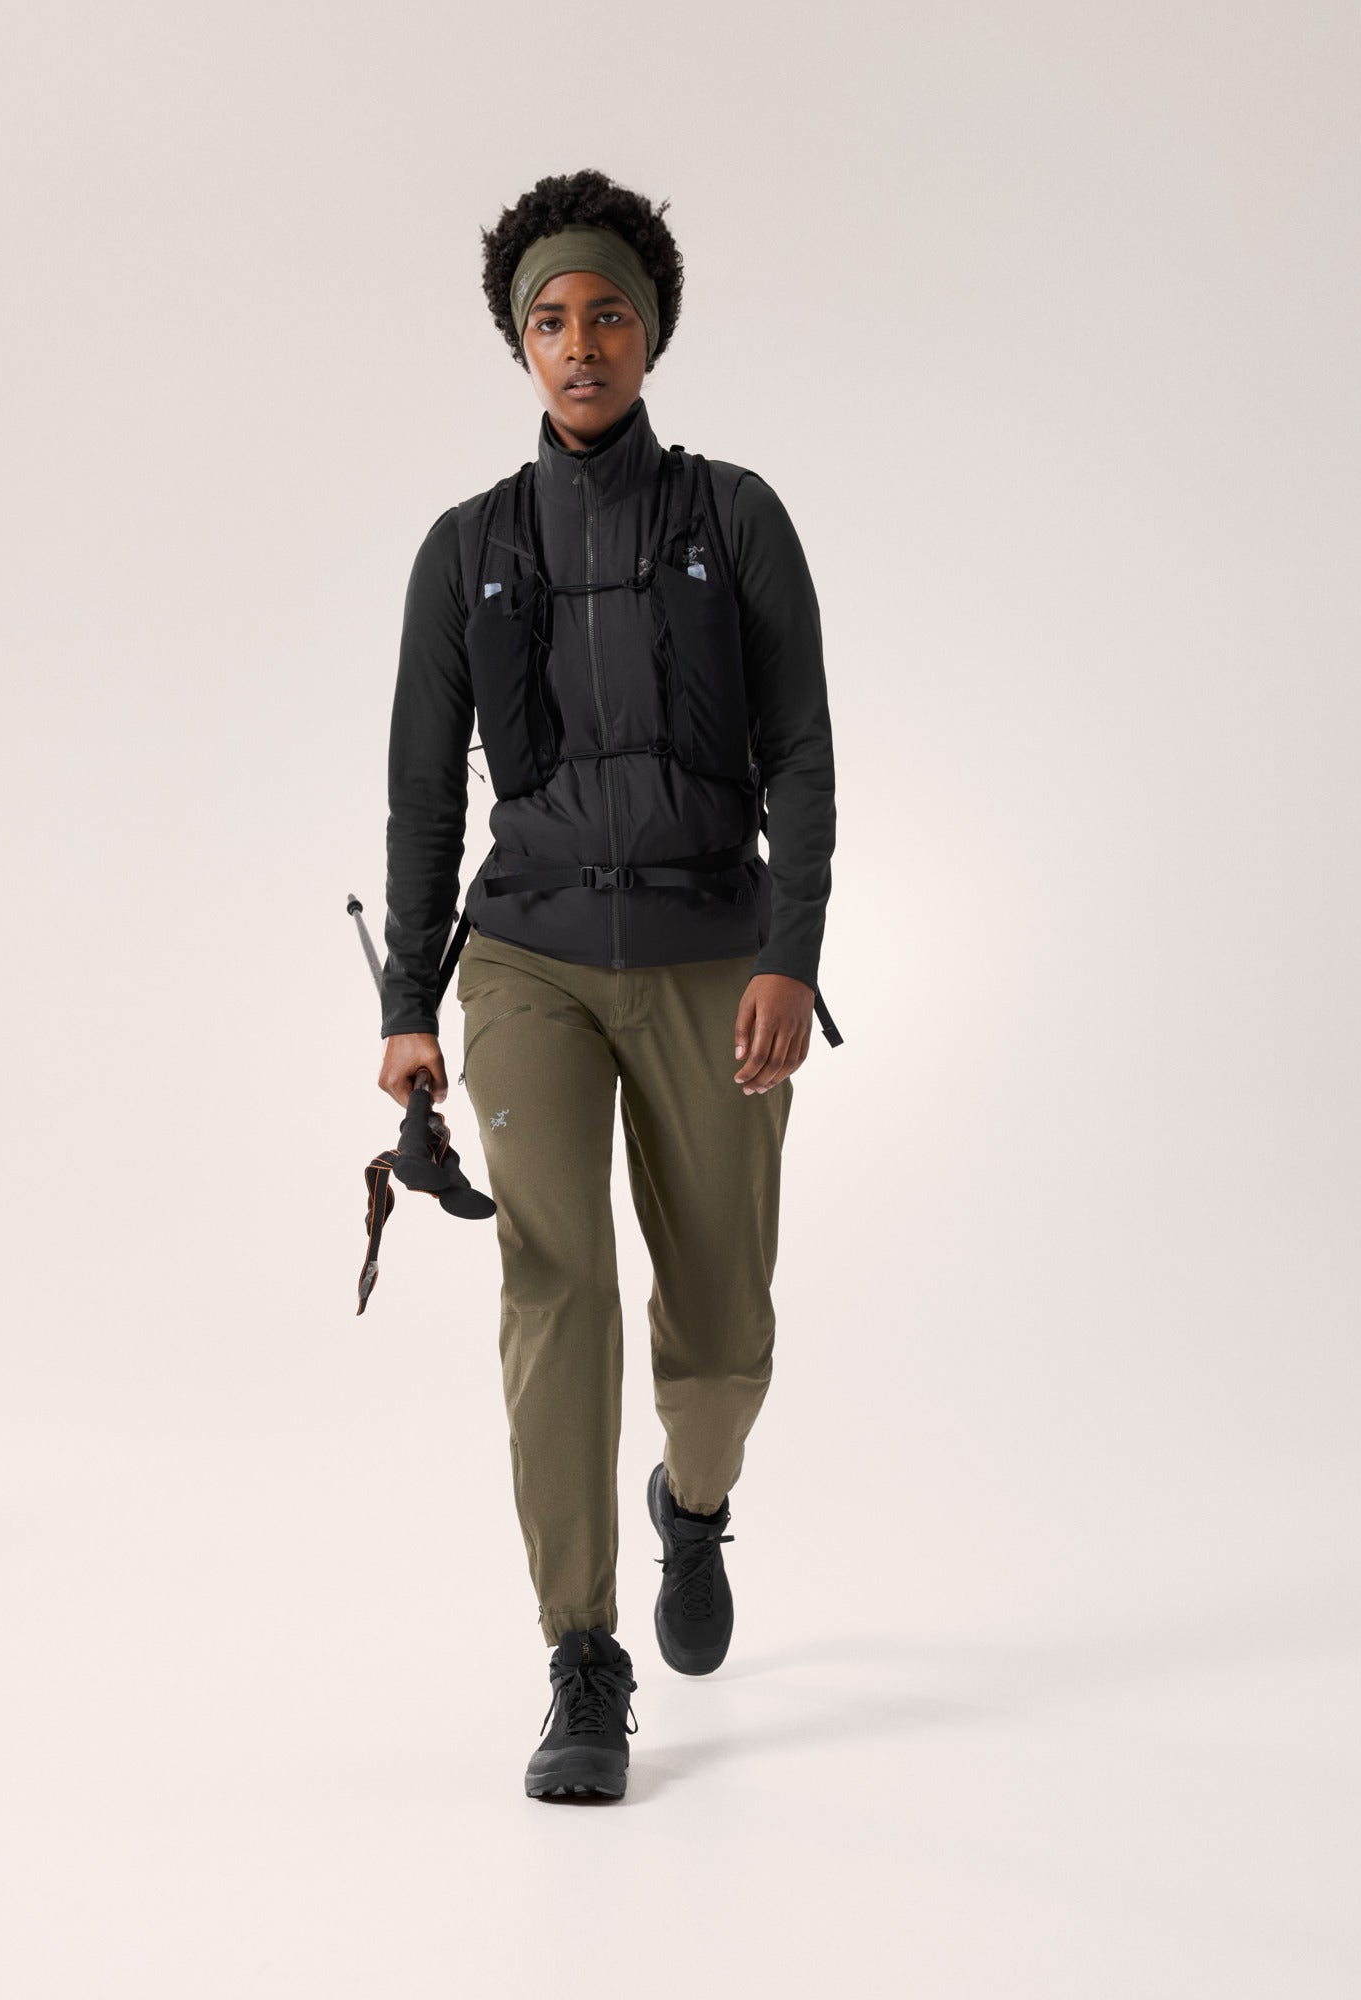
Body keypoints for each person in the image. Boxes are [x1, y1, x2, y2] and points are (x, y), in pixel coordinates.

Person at [376, 167, 838, 1800]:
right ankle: (583, 1653)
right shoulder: (466, 552)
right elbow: (425, 798)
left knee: (723, 1327)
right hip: (532, 966)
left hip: (716, 955)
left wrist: (790, 954)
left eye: (609, 317)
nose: (581, 346)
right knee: (554, 1288)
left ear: (652, 335)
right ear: (522, 344)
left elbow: (801, 753)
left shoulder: (736, 520)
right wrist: (407, 1009)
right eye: (553, 322)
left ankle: (692, 1506)